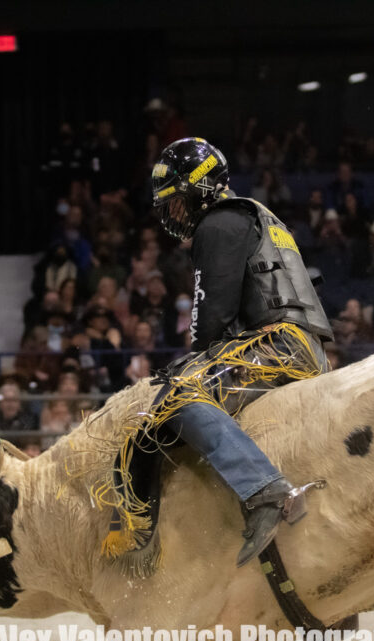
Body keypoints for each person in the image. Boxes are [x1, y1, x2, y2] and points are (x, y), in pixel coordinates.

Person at [110, 137, 334, 568]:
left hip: (278, 346)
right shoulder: (261, 217)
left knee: (177, 397)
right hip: (307, 346)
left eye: (175, 202)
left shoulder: (217, 225)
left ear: (200, 189)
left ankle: (263, 490)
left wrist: (194, 364)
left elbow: (210, 323)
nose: (172, 213)